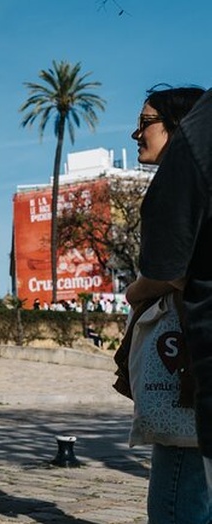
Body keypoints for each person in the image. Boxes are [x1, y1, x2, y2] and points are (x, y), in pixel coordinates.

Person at [123, 85, 210, 524]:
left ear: (178, 127)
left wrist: (136, 291)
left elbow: (173, 267)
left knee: (179, 488)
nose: (136, 133)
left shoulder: (184, 179)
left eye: (146, 122)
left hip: (192, 363)